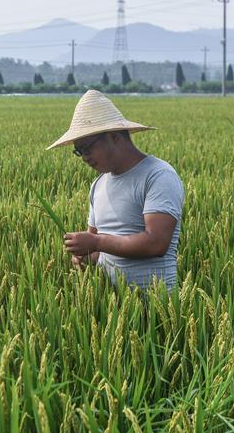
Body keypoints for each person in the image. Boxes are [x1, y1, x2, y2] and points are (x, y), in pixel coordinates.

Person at [46, 89, 185, 291]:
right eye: (79, 152)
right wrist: (85, 256)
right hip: (110, 306)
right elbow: (100, 250)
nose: (84, 157)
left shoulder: (158, 175)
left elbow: (156, 243)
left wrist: (95, 242)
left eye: (87, 148)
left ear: (114, 137)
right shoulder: (98, 185)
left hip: (156, 306)